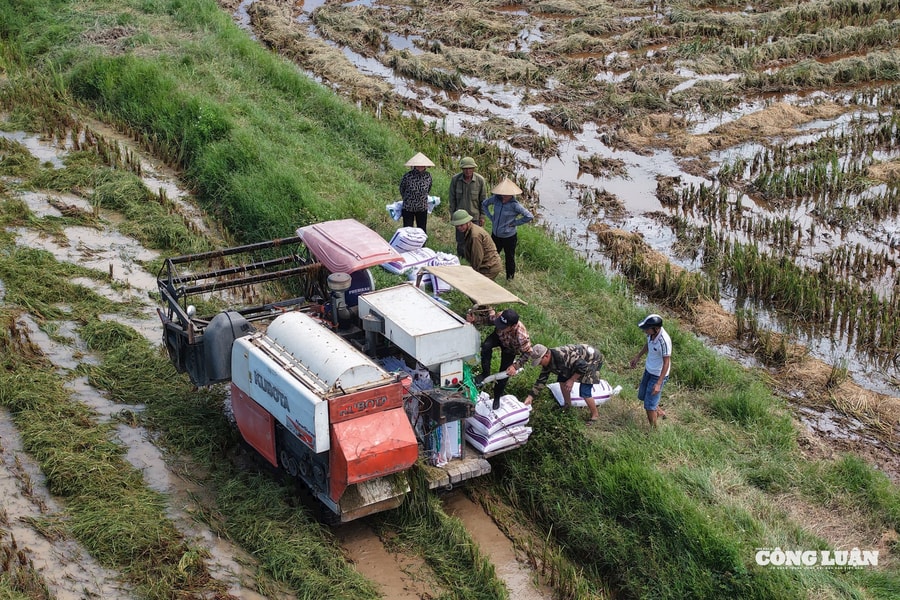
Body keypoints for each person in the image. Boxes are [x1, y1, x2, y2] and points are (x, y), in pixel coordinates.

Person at [467, 308, 532, 409]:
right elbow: (489, 320)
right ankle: (485, 373)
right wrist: (475, 319)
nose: (500, 327)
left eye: (504, 327)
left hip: (510, 349)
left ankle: (497, 397)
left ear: (513, 326)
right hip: (498, 338)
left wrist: (515, 366)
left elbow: (528, 353)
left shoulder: (521, 335)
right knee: (486, 346)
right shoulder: (500, 316)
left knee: (504, 373)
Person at [523, 343, 604, 424]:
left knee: (584, 391)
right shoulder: (548, 363)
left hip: (591, 360)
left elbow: (583, 366)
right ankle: (567, 405)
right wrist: (530, 397)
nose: (540, 365)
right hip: (575, 364)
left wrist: (572, 380)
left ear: (546, 356)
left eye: (540, 362)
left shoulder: (563, 356)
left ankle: (595, 415)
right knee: (562, 380)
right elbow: (541, 380)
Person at [482, 177, 533, 281]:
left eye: (506, 194)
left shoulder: (515, 205)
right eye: (503, 194)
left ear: (511, 194)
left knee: (509, 258)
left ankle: (510, 279)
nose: (504, 196)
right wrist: (491, 217)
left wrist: (515, 223)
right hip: (495, 235)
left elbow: (529, 216)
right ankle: (488, 275)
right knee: (491, 255)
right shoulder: (496, 199)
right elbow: (484, 204)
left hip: (509, 237)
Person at [628, 314, 672, 427]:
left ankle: (654, 431)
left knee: (649, 405)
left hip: (658, 375)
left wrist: (658, 383)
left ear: (656, 329)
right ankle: (659, 411)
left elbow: (666, 363)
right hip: (649, 370)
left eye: (647, 328)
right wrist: (637, 357)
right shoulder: (651, 334)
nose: (644, 331)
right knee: (642, 396)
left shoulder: (664, 341)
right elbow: (648, 345)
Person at [448, 157, 487, 256]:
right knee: (461, 241)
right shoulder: (455, 180)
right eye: (465, 168)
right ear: (462, 169)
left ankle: (473, 261)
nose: (468, 171)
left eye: (470, 168)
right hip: (459, 217)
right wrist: (452, 214)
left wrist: (482, 216)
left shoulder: (480, 181)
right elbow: (452, 199)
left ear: (474, 169)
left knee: (474, 241)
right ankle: (461, 259)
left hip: (474, 217)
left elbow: (483, 200)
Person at [450, 209, 502, 279]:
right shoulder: (469, 230)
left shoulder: (475, 236)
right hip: (486, 265)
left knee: (478, 287)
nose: (459, 228)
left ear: (468, 222)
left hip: (489, 267)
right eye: (457, 226)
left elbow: (477, 257)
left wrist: (473, 273)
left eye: (461, 225)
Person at [399, 152, 434, 233]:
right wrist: (408, 199)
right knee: (407, 231)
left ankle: (422, 245)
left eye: (422, 165)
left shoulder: (428, 176)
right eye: (418, 165)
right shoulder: (408, 176)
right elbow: (402, 189)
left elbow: (428, 189)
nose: (420, 167)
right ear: (414, 165)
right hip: (408, 207)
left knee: (422, 231)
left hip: (422, 208)